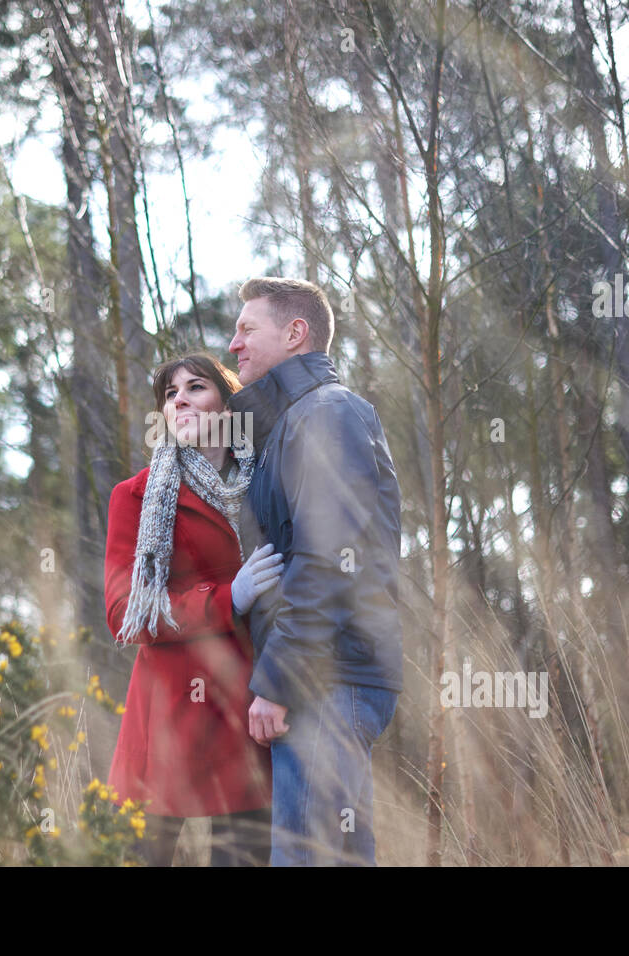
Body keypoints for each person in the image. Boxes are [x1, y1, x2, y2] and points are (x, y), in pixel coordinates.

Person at [225, 276, 404, 866]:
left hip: (326, 682)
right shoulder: (292, 424)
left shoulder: (327, 414)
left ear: (296, 332)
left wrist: (279, 682)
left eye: (247, 328)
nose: (234, 345)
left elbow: (327, 560)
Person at [104, 352, 284, 866]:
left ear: (229, 406)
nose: (179, 398)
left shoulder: (267, 488)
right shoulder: (136, 496)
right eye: (169, 393)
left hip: (245, 708)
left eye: (195, 387)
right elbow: (125, 613)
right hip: (165, 720)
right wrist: (231, 597)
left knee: (244, 857)